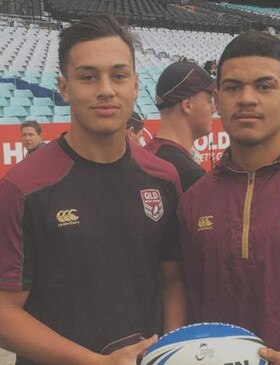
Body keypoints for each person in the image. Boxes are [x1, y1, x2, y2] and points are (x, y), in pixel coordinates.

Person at [0, 15, 186, 364]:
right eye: (88, 77)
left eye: (118, 75)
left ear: (134, 84)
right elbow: (4, 313)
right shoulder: (21, 188)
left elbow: (172, 279)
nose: (105, 89)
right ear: (64, 87)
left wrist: (168, 351)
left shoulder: (163, 177)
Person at [178, 31, 280, 365]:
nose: (246, 98)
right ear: (216, 100)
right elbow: (186, 302)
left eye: (264, 86)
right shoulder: (194, 200)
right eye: (232, 87)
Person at [144, 61, 214, 191]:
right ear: (188, 105)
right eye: (209, 100)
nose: (214, 108)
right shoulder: (189, 174)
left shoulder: (146, 154)